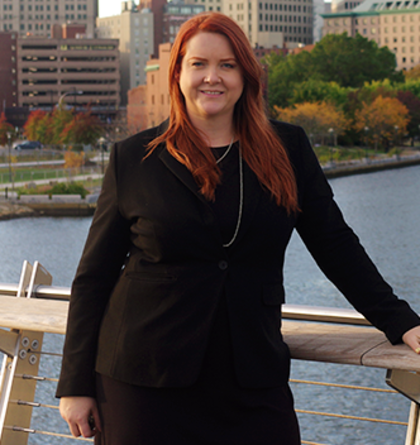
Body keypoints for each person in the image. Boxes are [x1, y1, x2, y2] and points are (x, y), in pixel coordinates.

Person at [57, 12, 420, 445]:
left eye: (227, 65)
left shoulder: (288, 148)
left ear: (246, 75)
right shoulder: (135, 157)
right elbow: (94, 278)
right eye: (199, 64)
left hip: (251, 373)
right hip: (144, 378)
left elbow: (335, 244)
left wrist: (401, 322)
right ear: (178, 74)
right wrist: (74, 384)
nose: (213, 78)